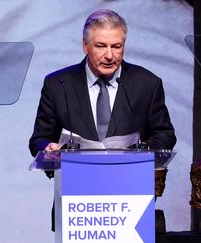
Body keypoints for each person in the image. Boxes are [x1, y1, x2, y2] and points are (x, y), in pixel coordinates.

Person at [29, 9, 176, 156]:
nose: (109, 55)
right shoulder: (57, 85)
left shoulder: (147, 84)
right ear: (85, 45)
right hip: (77, 176)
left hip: (130, 175)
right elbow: (39, 139)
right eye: (101, 46)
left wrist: (147, 150)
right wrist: (48, 148)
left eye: (116, 46)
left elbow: (164, 134)